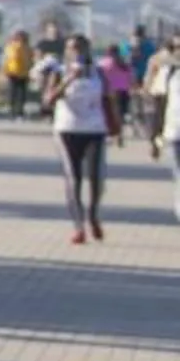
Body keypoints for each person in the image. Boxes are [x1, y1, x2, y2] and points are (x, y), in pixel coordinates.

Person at [45, 34, 112, 245]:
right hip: (68, 130)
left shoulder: (98, 72)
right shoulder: (59, 71)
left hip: (95, 130)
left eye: (81, 48)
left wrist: (115, 126)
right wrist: (69, 79)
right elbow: (48, 100)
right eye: (72, 48)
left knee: (96, 178)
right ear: (66, 51)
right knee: (74, 179)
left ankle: (93, 215)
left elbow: (108, 99)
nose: (77, 52)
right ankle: (78, 226)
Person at [99, 43, 135, 145]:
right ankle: (119, 134)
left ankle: (111, 134)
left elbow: (100, 78)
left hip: (108, 92)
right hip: (123, 92)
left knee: (108, 115)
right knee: (120, 115)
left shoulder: (103, 63)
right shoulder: (124, 63)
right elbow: (131, 78)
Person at [2, 28, 33, 119]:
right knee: (12, 92)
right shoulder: (10, 47)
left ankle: (19, 111)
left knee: (21, 94)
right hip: (12, 72)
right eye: (17, 36)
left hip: (23, 73)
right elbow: (5, 59)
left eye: (21, 36)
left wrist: (30, 69)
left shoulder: (27, 48)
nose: (19, 38)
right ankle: (12, 111)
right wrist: (4, 69)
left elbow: (30, 60)